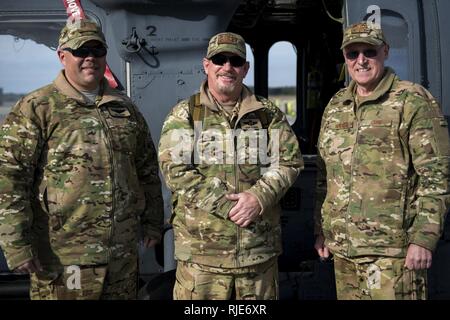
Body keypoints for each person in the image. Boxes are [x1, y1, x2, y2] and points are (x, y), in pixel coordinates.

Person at [0, 19, 164, 299]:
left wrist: (152, 222)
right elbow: (10, 179)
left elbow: (146, 169)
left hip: (120, 256)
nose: (90, 58)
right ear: (63, 56)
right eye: (80, 51)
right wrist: (16, 245)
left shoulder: (124, 109)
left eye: (97, 50)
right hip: (62, 256)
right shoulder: (36, 107)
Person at [158, 32, 303, 300]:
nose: (227, 67)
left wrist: (258, 198)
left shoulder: (267, 114)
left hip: (257, 256)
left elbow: (289, 161)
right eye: (219, 59)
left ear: (245, 69)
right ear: (206, 65)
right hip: (202, 261)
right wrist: (229, 206)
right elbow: (175, 171)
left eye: (235, 60)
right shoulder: (186, 114)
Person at [314, 21, 450, 300]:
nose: (361, 60)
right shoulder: (337, 105)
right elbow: (324, 175)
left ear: (385, 52)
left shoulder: (411, 101)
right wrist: (322, 230)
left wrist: (423, 238)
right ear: (345, 58)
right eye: (353, 54)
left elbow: (435, 175)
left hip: (393, 254)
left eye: (369, 52)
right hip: (344, 251)